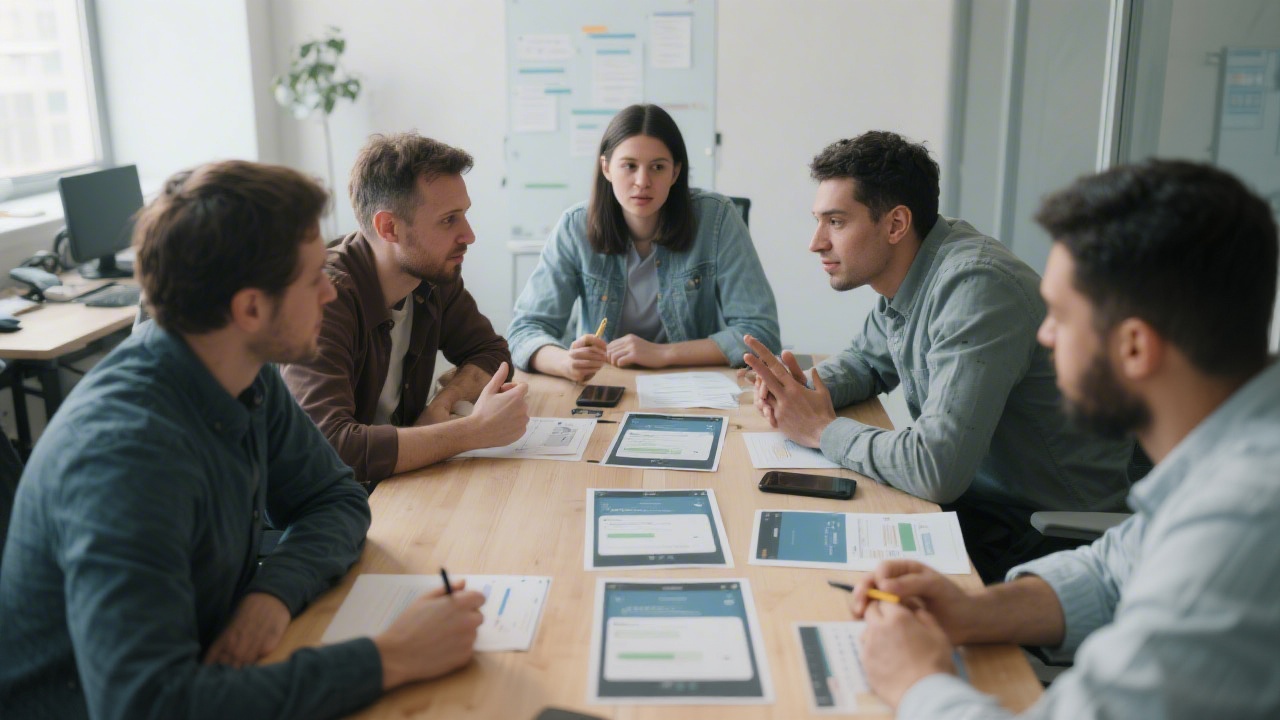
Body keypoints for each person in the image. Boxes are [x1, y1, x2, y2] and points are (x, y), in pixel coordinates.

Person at [0, 161, 487, 719]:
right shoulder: (125, 458)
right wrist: (391, 658)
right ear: (251, 309)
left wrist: (273, 592)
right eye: (313, 279)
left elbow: (335, 498)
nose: (331, 293)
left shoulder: (239, 369)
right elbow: (146, 706)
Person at [849, 160, 1280, 718]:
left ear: (1133, 347)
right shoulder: (1225, 451)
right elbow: (1108, 574)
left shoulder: (1242, 521)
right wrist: (972, 611)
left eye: (1058, 315)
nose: (1044, 335)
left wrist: (914, 682)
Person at [745, 131, 1133, 581]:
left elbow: (935, 468)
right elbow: (866, 363)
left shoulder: (976, 287)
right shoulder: (917, 267)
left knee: (822, 577)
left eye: (835, 222)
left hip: (1045, 532)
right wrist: (795, 391)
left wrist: (820, 428)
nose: (816, 242)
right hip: (978, 506)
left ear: (895, 225)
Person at [282, 133, 528, 488]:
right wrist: (471, 432)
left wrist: (444, 403)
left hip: (401, 483)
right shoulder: (324, 299)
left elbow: (490, 352)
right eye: (448, 220)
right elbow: (329, 446)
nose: (469, 235)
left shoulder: (433, 276)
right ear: (389, 227)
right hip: (332, 502)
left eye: (464, 215)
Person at [507, 103, 780, 382]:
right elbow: (524, 330)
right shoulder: (574, 226)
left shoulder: (717, 217)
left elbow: (760, 334)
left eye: (657, 167)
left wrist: (662, 353)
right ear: (607, 168)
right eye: (629, 166)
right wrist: (565, 362)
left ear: (675, 172)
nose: (642, 181)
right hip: (605, 384)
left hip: (692, 385)